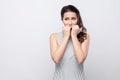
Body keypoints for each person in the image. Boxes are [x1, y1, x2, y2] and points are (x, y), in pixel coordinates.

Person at [49, 5, 90, 80]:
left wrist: (74, 36)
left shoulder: (85, 36)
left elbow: (80, 60)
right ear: (62, 20)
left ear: (77, 19)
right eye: (66, 19)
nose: (70, 23)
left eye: (73, 19)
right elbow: (56, 59)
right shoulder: (54, 36)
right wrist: (66, 36)